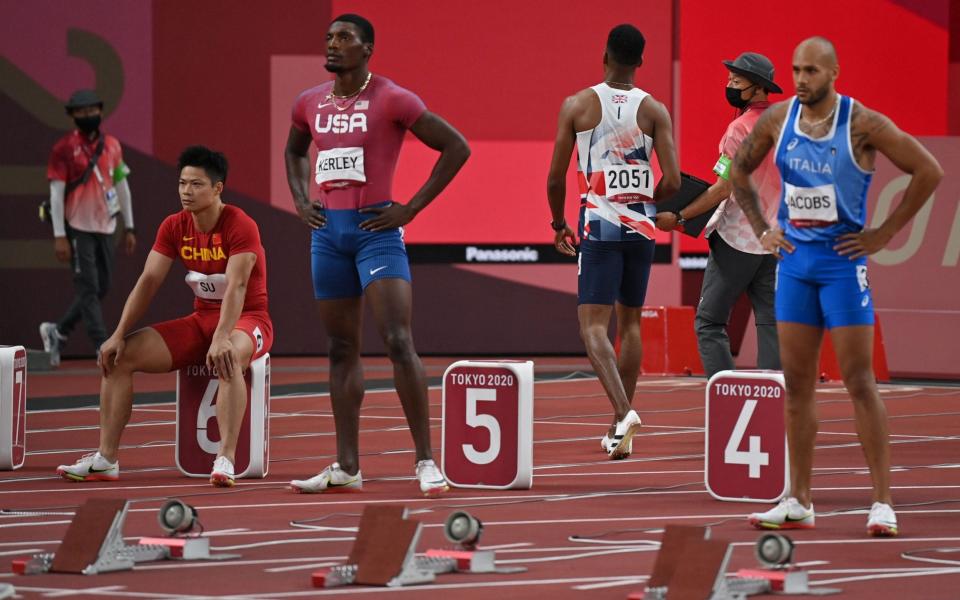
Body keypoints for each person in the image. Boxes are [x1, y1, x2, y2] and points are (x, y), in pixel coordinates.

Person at [730, 37, 943, 536]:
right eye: (796, 70)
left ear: (834, 73)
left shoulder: (862, 122)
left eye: (811, 71)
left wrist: (884, 233)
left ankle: (882, 502)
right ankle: (799, 499)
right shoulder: (778, 120)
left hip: (842, 267)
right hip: (796, 266)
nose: (802, 79)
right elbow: (739, 171)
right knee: (798, 385)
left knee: (858, 381)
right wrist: (763, 227)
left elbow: (927, 171)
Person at [284, 14, 470, 496]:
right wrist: (302, 201)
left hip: (376, 233)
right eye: (328, 37)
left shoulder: (392, 98)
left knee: (396, 340)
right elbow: (295, 151)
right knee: (340, 347)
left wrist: (410, 208)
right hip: (328, 236)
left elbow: (455, 147)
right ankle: (347, 464)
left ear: (367, 50)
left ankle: (426, 461)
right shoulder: (309, 102)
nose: (332, 44)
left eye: (344, 38)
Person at [57, 145, 274, 488]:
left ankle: (226, 459)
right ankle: (106, 459)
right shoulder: (174, 226)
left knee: (229, 354)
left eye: (197, 185)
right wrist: (116, 334)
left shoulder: (240, 224)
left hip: (248, 320)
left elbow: (237, 286)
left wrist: (221, 337)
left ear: (218, 189)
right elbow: (148, 281)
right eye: (183, 183)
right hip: (201, 320)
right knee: (120, 356)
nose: (187, 192)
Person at [546, 24, 680, 460]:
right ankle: (617, 428)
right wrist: (645, 202)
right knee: (632, 324)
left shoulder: (578, 105)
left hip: (599, 226)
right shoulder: (655, 110)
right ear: (641, 62)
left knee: (592, 328)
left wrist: (557, 222)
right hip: (641, 229)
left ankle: (624, 413)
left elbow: (555, 177)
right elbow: (674, 181)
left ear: (604, 54)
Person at [656, 52, 782, 377]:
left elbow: (722, 189)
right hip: (774, 241)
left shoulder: (739, 130)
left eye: (736, 81)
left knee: (709, 322)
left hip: (736, 240)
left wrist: (680, 216)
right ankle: (772, 399)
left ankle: (726, 396)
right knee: (770, 321)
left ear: (757, 88)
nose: (728, 85)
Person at [40, 89, 136, 367]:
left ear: (100, 112)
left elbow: (122, 186)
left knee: (100, 287)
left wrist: (130, 227)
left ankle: (57, 331)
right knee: (89, 287)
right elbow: (56, 195)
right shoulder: (63, 149)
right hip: (77, 227)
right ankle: (102, 345)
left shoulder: (113, 145)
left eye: (91, 110)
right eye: (80, 112)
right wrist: (60, 235)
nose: (87, 115)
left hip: (106, 226)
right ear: (72, 116)